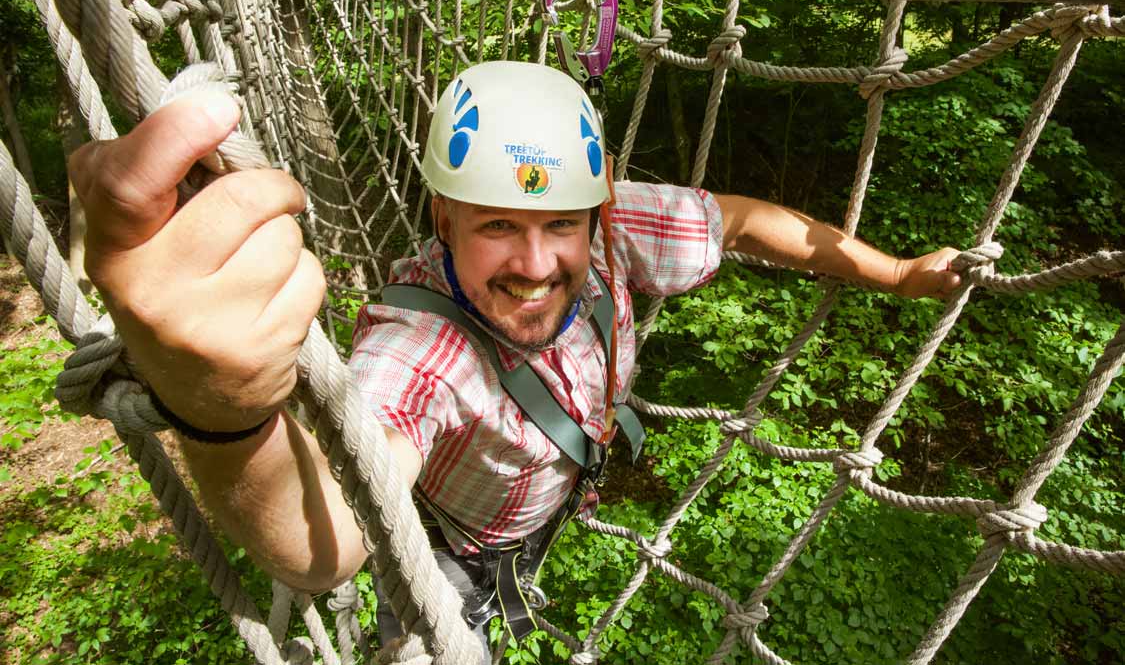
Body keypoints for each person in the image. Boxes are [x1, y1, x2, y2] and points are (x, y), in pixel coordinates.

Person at [70, 60, 960, 662]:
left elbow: (744, 220)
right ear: (442, 216)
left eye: (559, 225)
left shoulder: (613, 230)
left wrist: (898, 275)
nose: (536, 264)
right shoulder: (418, 348)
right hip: (447, 545)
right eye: (497, 222)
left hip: (554, 494)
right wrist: (220, 412)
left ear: (594, 214)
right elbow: (329, 544)